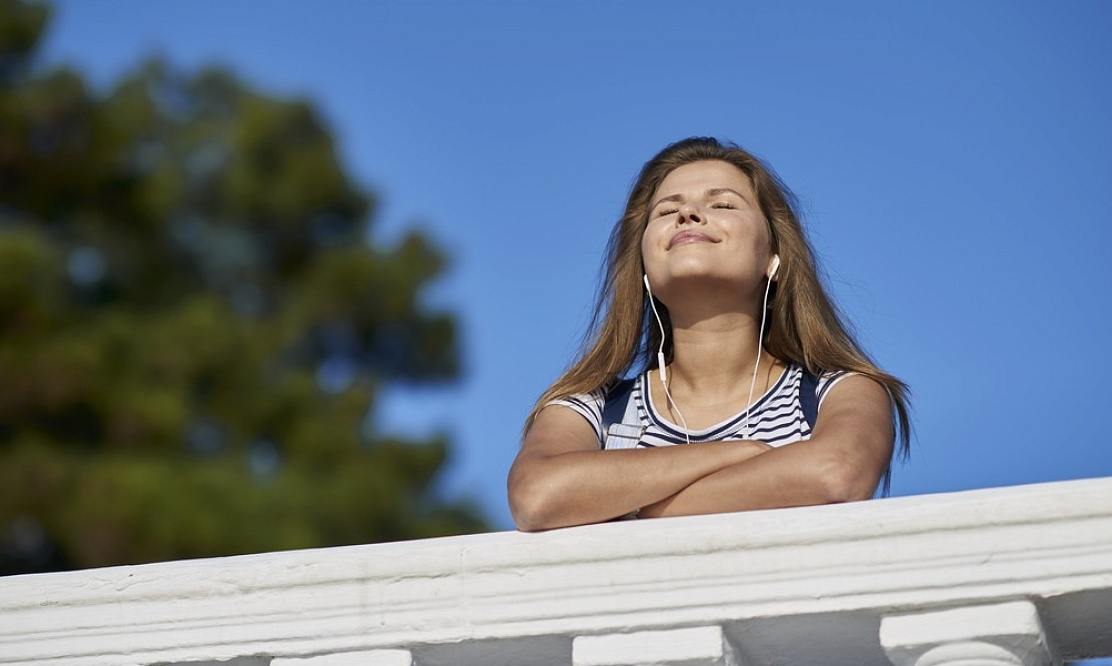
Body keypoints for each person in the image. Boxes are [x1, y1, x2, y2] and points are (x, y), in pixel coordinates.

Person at [508, 137, 911, 532]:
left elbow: (834, 474)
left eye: (722, 204)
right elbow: (537, 496)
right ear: (644, 265)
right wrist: (741, 454)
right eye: (667, 211)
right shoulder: (594, 409)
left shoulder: (838, 392)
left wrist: (630, 511)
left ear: (773, 257)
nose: (689, 215)